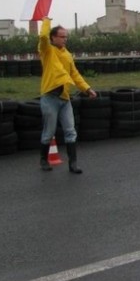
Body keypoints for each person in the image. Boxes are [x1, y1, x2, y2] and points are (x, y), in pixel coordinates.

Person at [38, 17, 97, 173]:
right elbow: (43, 37)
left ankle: (73, 164)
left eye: (66, 37)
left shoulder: (68, 55)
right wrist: (46, 21)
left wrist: (87, 89)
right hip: (49, 98)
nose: (65, 39)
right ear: (53, 37)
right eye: (62, 36)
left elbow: (75, 75)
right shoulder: (47, 51)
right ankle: (44, 160)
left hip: (64, 99)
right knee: (49, 132)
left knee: (70, 131)